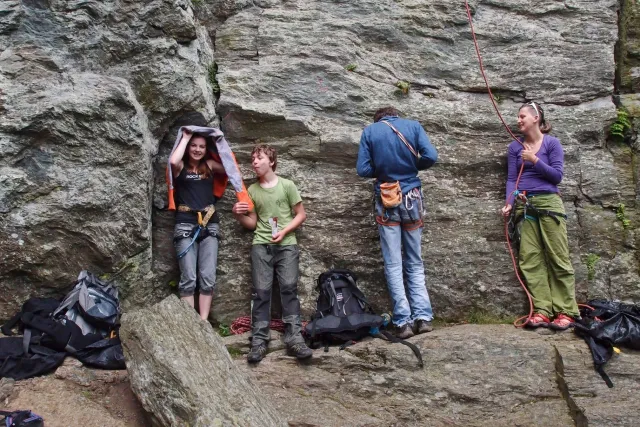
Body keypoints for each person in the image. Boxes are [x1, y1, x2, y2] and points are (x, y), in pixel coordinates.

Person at [356, 106, 438, 339]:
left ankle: (403, 322)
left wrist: (382, 169)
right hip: (412, 198)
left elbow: (362, 169)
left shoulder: (370, 132)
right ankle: (423, 317)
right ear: (395, 115)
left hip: (387, 199)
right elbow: (431, 156)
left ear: (378, 119)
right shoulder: (413, 126)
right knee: (415, 260)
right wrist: (412, 166)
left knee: (393, 263)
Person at [501, 101, 579, 330]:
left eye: (522, 116)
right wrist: (508, 203)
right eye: (518, 117)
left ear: (536, 118)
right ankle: (543, 310)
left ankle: (566, 311)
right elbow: (511, 179)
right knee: (530, 258)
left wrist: (534, 160)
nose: (518, 120)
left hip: (548, 202)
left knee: (558, 256)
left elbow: (557, 176)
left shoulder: (552, 144)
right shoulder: (514, 147)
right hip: (524, 204)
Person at [232, 144, 313, 363]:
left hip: (287, 245)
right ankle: (259, 341)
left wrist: (284, 231)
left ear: (272, 161)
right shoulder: (252, 191)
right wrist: (238, 215)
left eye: (259, 158)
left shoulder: (287, 185)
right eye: (253, 159)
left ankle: (295, 338)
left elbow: (301, 214)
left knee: (289, 288)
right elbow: (252, 223)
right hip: (261, 245)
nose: (255, 162)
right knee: (261, 292)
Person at [169, 129, 224, 321]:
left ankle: (203, 322)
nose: (197, 150)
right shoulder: (180, 166)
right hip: (185, 224)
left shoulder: (209, 165)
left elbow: (230, 166)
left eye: (202, 146)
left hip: (209, 224)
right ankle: (190, 325)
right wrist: (185, 138)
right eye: (194, 145)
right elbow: (173, 161)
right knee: (189, 278)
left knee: (208, 277)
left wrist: (218, 142)